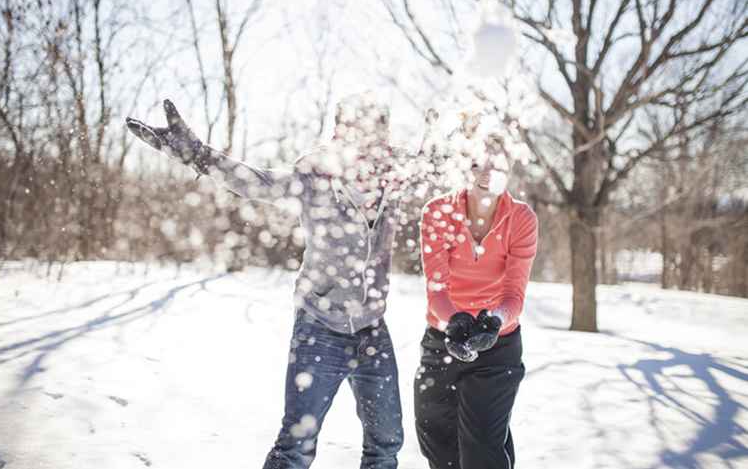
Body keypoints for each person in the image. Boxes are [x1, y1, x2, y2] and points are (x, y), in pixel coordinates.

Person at [126, 92, 404, 469]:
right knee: (296, 446)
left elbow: (451, 168)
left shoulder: (396, 182)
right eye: (355, 131)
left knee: (386, 445)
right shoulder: (315, 180)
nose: (364, 143)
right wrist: (198, 155)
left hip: (372, 328)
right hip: (320, 326)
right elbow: (256, 183)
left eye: (373, 133)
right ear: (340, 134)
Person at [414, 116, 538, 469]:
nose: (486, 172)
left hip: (497, 344)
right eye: (476, 163)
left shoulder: (521, 219)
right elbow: (437, 288)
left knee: (481, 448)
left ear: (509, 167)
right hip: (443, 338)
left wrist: (493, 321)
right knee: (437, 443)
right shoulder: (438, 212)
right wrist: (454, 320)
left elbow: (514, 294)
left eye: (496, 164)